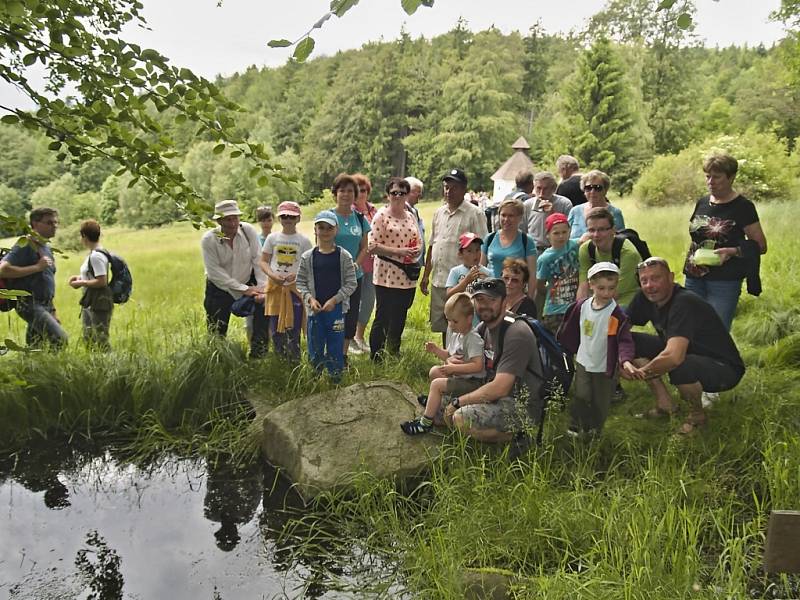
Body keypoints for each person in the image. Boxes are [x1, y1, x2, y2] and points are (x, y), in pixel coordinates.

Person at [623, 257, 746, 434]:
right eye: (644, 280)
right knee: (632, 341)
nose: (649, 285)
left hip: (724, 368)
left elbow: (673, 357)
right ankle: (665, 405)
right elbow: (621, 331)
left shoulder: (684, 302)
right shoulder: (645, 297)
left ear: (671, 277)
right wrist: (623, 360)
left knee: (680, 365)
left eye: (656, 278)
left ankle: (697, 418)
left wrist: (641, 374)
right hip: (686, 352)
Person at [444, 278, 543, 449]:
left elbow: (500, 388)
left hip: (519, 403)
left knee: (460, 418)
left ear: (505, 302)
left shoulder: (517, 333)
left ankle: (518, 437)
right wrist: (450, 361)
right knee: (439, 403)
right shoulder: (484, 328)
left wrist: (457, 402)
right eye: (480, 300)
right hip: (491, 392)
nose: (485, 306)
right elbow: (463, 359)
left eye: (492, 300)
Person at [683, 152, 767, 331]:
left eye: (716, 177)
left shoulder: (743, 207)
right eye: (707, 176)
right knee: (690, 328)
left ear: (731, 177)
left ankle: (720, 360)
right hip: (694, 275)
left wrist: (733, 251)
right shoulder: (703, 202)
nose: (710, 182)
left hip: (724, 280)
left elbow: (760, 245)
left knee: (716, 331)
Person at [557, 262, 636, 436]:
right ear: (591, 285)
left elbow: (624, 340)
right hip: (584, 361)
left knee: (601, 399)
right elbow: (569, 328)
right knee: (582, 394)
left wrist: (626, 360)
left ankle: (595, 429)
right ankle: (576, 425)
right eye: (601, 288)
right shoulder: (582, 306)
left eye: (611, 288)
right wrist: (564, 348)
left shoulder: (616, 314)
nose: (606, 293)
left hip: (604, 365)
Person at [400, 293, 485, 435]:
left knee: (436, 384)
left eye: (455, 321)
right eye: (448, 320)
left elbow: (478, 366)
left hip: (473, 383)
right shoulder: (458, 333)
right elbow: (449, 355)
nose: (450, 324)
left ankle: (425, 424)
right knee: (435, 371)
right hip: (460, 377)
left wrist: (453, 368)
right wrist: (436, 350)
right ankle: (436, 403)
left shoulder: (473, 339)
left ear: (469, 319)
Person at [421, 168, 488, 344]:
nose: (449, 192)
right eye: (446, 187)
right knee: (446, 322)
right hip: (440, 279)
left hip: (463, 280)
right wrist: (426, 275)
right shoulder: (439, 213)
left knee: (465, 322)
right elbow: (432, 245)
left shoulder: (474, 213)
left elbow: (483, 247)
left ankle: (468, 360)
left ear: (464, 189)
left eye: (454, 188)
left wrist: (478, 278)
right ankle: (449, 358)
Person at [201, 199, 269, 358]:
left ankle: (259, 357)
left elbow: (257, 259)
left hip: (249, 282)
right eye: (227, 219)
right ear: (219, 221)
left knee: (262, 316)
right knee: (217, 329)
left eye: (235, 218)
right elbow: (215, 273)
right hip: (220, 289)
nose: (233, 223)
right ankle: (219, 360)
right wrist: (244, 289)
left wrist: (261, 288)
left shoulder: (247, 231)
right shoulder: (210, 239)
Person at [296, 210, 358, 381]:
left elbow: (351, 283)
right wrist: (309, 298)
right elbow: (300, 282)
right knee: (315, 345)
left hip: (336, 310)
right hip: (315, 311)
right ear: (315, 230)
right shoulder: (307, 257)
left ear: (336, 230)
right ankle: (315, 378)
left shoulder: (344, 256)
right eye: (321, 227)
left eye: (329, 228)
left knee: (335, 346)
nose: (325, 231)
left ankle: (335, 379)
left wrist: (335, 300)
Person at [368, 177, 421, 360]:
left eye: (402, 193)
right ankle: (376, 355)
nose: (398, 196)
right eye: (394, 193)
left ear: (407, 195)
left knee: (400, 315)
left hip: (407, 275)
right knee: (383, 315)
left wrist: (416, 250)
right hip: (386, 274)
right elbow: (372, 246)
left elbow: (418, 239)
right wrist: (399, 252)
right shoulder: (381, 216)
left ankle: (394, 351)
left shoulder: (411, 215)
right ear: (387, 195)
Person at [0, 207, 68, 349]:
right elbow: (3, 270)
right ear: (35, 224)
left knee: (36, 348)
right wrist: (37, 267)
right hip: (29, 303)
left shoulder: (46, 248)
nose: (54, 226)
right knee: (60, 338)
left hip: (45, 304)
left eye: (56, 222)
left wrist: (53, 311)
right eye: (49, 222)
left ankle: (35, 370)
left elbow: (46, 280)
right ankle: (57, 370)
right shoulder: (25, 245)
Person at [260, 201, 312, 361]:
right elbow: (263, 261)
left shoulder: (304, 241)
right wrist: (273, 275)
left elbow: (309, 265)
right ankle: (279, 357)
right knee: (275, 325)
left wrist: (296, 275)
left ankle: (294, 358)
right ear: (279, 218)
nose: (288, 219)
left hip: (295, 289)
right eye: (284, 216)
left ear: (298, 219)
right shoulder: (272, 238)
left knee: (293, 324)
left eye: (291, 216)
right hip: (276, 288)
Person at [331, 173, 370, 360]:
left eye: (349, 191)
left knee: (351, 316)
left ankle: (343, 356)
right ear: (335, 194)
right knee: (332, 315)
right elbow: (321, 245)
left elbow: (365, 247)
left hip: (355, 276)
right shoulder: (328, 217)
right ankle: (331, 352)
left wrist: (355, 264)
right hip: (331, 275)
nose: (345, 194)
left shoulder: (361, 219)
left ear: (355, 195)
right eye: (342, 191)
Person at [576, 207, 640, 308]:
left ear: (613, 230)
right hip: (599, 301)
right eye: (591, 230)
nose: (596, 235)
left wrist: (591, 310)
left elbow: (613, 293)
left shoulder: (628, 253)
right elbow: (583, 285)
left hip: (627, 304)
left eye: (601, 230)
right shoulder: (586, 249)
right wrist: (579, 310)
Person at [68, 219, 114, 349]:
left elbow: (101, 281)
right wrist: (79, 278)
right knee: (89, 336)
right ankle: (94, 364)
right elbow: (94, 275)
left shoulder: (96, 256)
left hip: (99, 300)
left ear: (84, 236)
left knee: (100, 337)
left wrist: (81, 283)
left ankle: (107, 363)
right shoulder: (95, 253)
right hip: (92, 299)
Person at [480, 198, 537, 300]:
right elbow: (481, 269)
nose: (506, 219)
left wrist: (530, 299)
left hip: (515, 295)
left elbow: (532, 274)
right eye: (503, 215)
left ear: (520, 218)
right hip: (491, 293)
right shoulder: (489, 238)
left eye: (511, 216)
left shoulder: (527, 240)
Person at [536, 213, 580, 334]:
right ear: (548, 235)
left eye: (564, 232)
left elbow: (586, 237)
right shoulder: (545, 259)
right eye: (556, 233)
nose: (561, 236)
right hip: (555, 310)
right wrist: (553, 291)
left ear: (569, 231)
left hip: (577, 305)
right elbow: (539, 284)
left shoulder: (575, 245)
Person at [352, 173, 379, 354]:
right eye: (358, 190)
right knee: (353, 302)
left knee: (369, 301)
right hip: (356, 263)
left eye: (364, 190)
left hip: (374, 264)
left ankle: (359, 336)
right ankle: (350, 337)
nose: (361, 193)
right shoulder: (350, 212)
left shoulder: (373, 210)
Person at [567, 170, 625, 242]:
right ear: (584, 191)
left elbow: (620, 240)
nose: (592, 191)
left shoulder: (615, 213)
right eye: (588, 188)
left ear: (605, 190)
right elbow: (565, 238)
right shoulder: (575, 211)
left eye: (597, 188)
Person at [524, 171, 573, 254]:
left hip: (558, 250)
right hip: (534, 250)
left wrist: (552, 213)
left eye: (546, 189)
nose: (541, 193)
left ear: (553, 189)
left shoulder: (564, 203)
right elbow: (522, 230)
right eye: (538, 188)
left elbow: (569, 229)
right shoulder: (527, 205)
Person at [444, 232, 492, 299]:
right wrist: (466, 281)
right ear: (460, 254)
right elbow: (448, 295)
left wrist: (487, 283)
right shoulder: (455, 271)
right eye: (469, 251)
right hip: (461, 308)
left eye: (477, 250)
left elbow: (492, 296)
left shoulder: (487, 272)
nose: (475, 254)